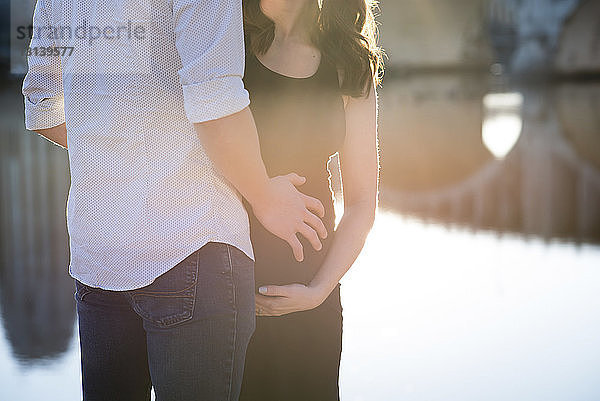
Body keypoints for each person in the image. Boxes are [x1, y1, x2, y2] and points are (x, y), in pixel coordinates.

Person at [21, 0, 328, 400]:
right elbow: (215, 101)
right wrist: (265, 197)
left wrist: (116, 155)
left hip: (98, 256)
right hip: (192, 244)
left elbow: (43, 107)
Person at [238, 0, 382, 400]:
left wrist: (318, 292)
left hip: (312, 298)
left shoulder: (349, 64)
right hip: (226, 286)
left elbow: (361, 206)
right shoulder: (229, 48)